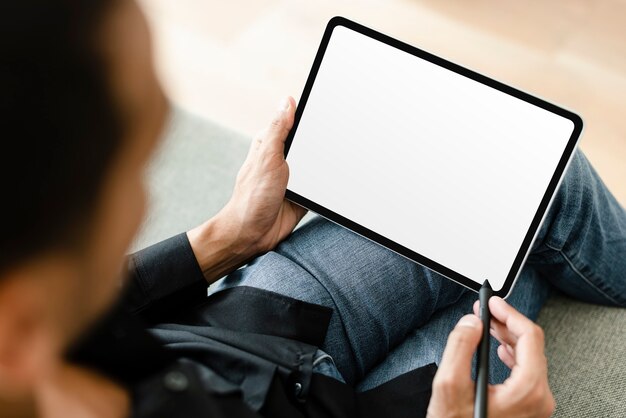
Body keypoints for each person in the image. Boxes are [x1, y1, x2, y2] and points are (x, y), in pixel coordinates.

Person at [0, 0, 624, 417]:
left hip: (245, 334)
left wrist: (227, 237)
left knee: (534, 180)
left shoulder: (31, 316)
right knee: (522, 267)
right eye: (136, 167)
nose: (145, 203)